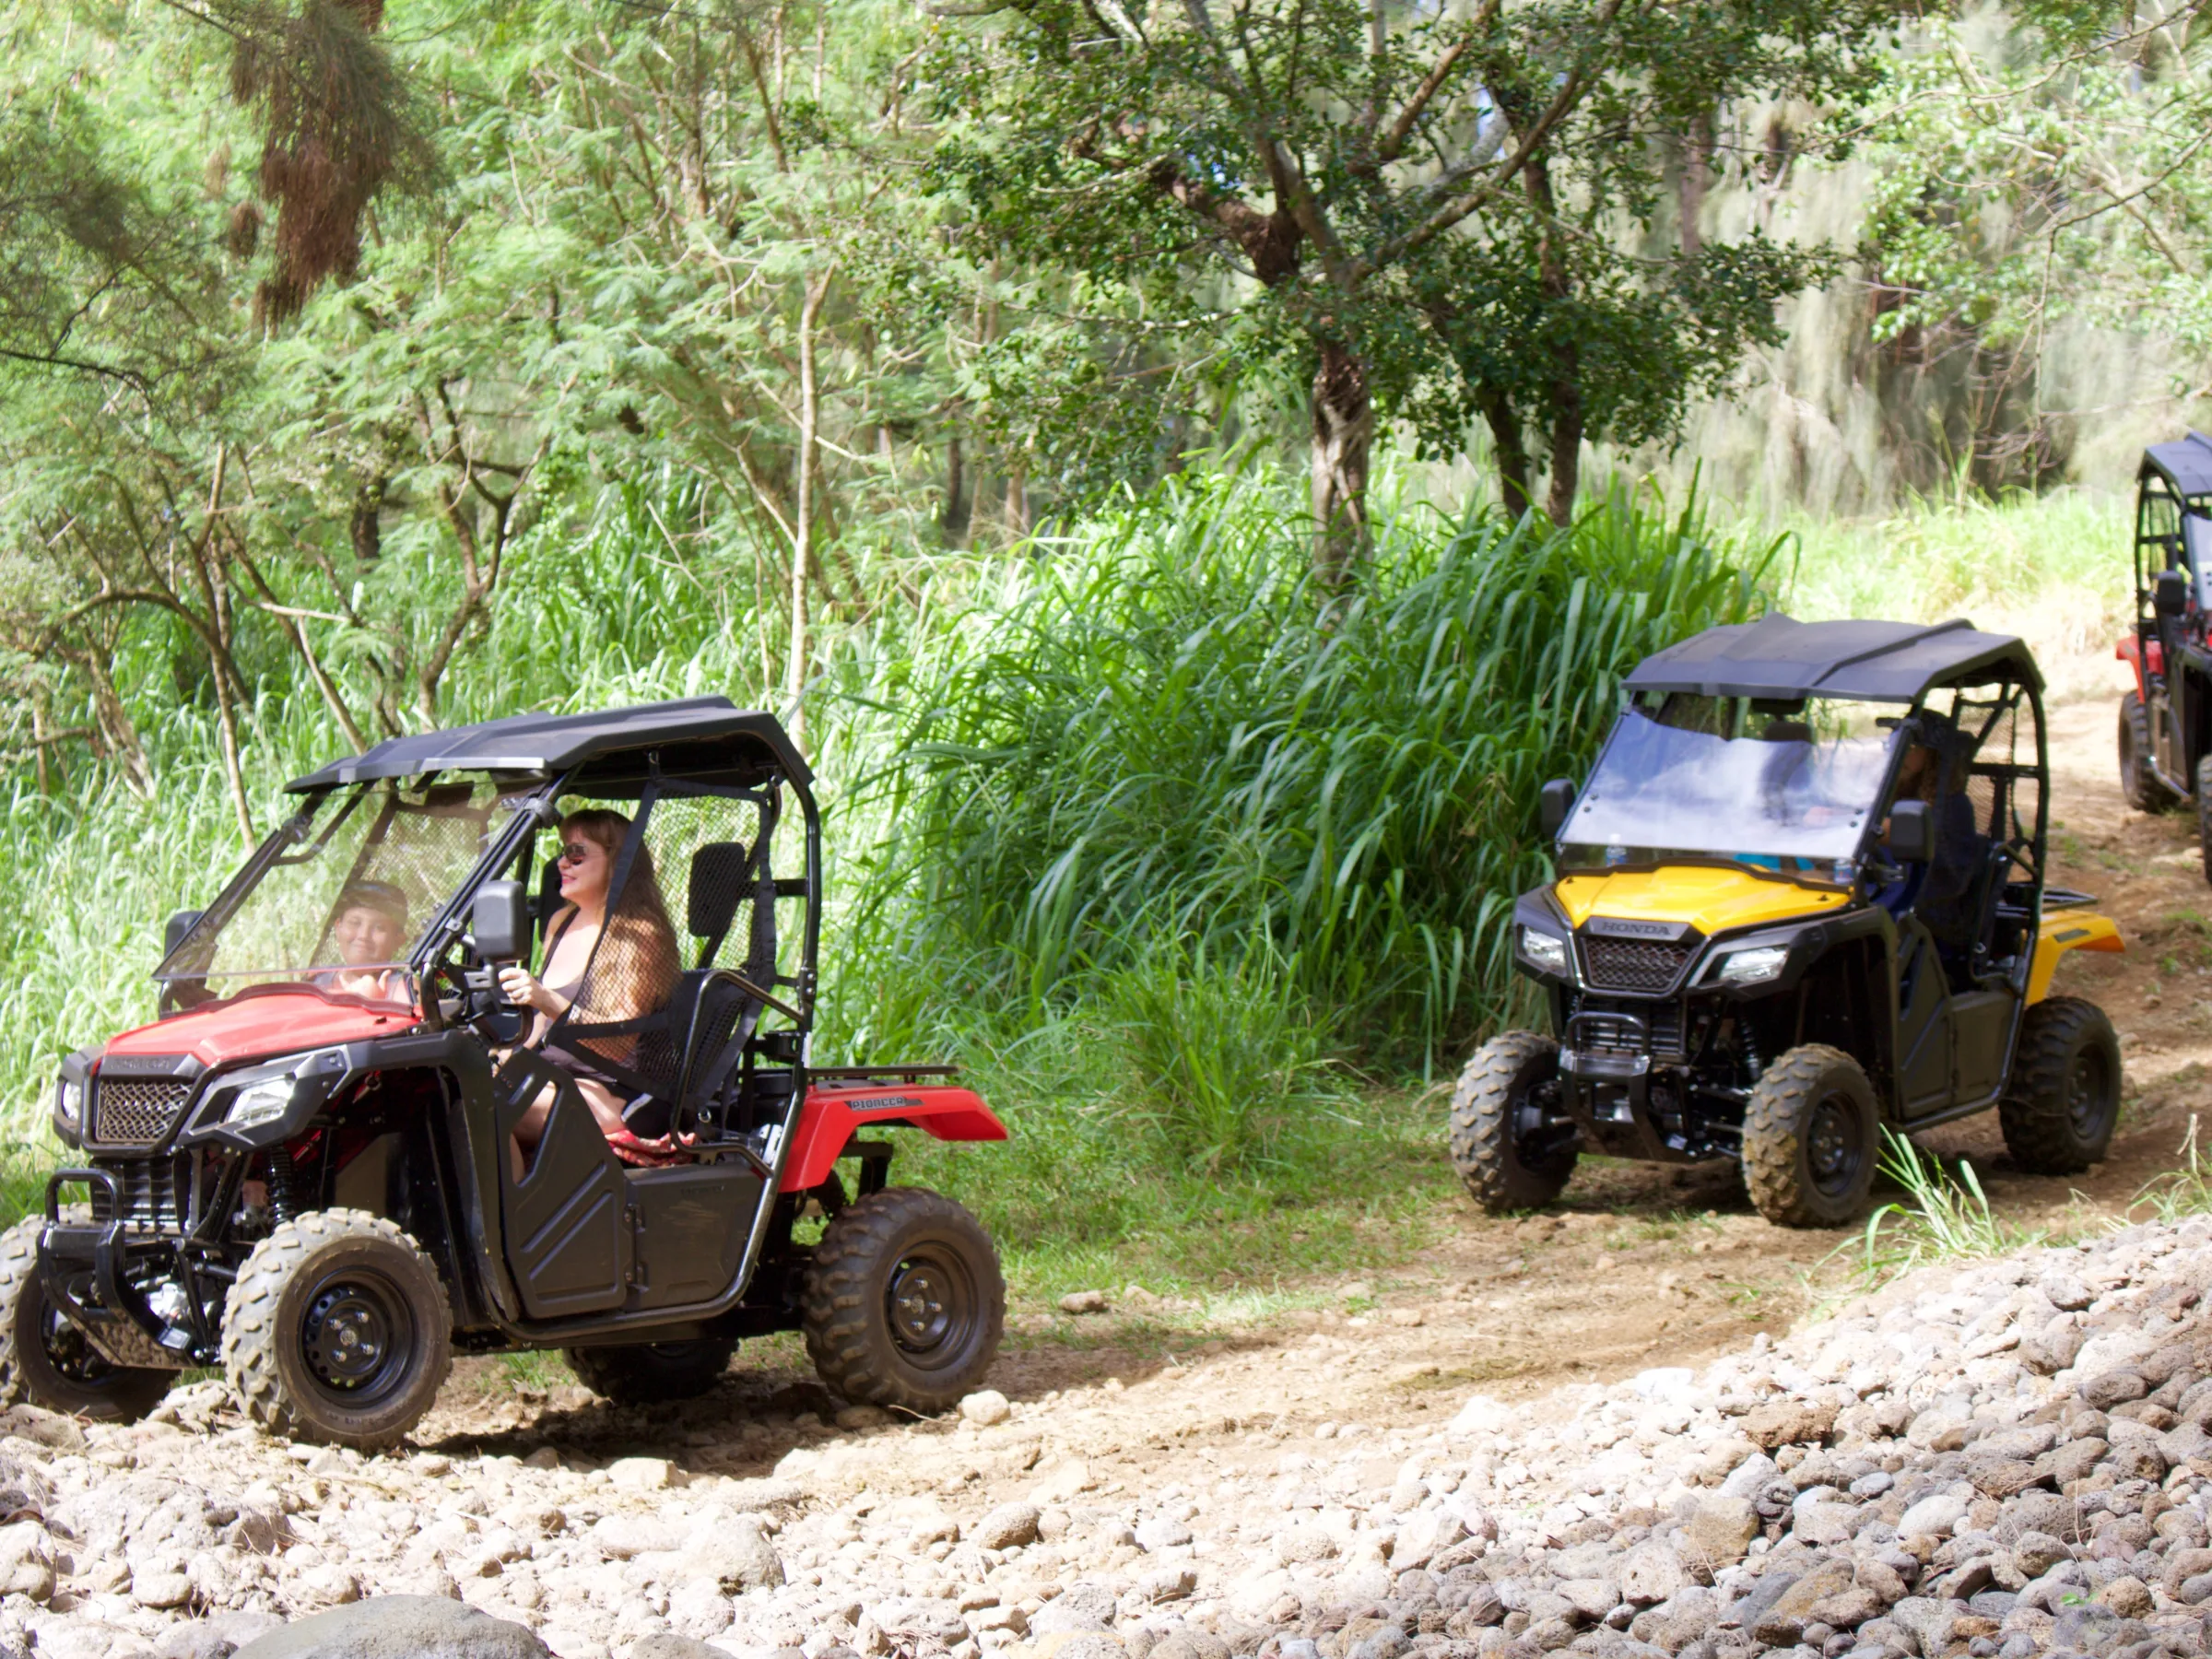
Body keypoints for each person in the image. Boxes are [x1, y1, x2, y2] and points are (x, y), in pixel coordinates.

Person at [500, 808, 680, 1174]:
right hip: (559, 1077)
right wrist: (502, 1053)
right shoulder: (561, 921)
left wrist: (546, 999)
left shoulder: (638, 934)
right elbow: (539, 1028)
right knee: (459, 1084)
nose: (562, 863)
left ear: (617, 861)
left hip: (618, 1092)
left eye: (576, 853)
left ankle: (511, 1225)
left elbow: (617, 1046)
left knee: (488, 1108)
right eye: (563, 851)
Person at [316, 881, 411, 1002]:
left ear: (398, 940)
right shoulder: (318, 983)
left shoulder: (405, 990)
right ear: (338, 928)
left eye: (379, 928)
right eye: (355, 923)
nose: (363, 936)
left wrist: (372, 1004)